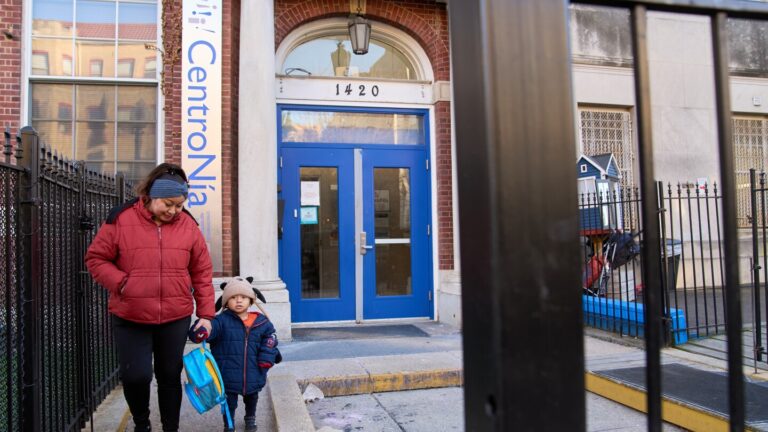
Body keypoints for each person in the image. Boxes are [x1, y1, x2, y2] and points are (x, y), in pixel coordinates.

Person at [85, 163, 214, 432]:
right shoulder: (120, 219)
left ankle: (170, 428)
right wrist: (123, 283)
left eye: (179, 205)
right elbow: (96, 259)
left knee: (169, 376)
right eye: (168, 204)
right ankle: (141, 424)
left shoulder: (189, 226)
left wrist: (206, 315)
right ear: (152, 195)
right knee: (136, 376)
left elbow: (202, 271)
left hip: (175, 316)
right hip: (130, 315)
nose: (173, 211)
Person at [189, 277, 279, 432]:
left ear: (251, 300)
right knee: (229, 402)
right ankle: (228, 424)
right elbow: (208, 330)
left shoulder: (262, 322)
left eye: (243, 297)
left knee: (252, 397)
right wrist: (200, 332)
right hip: (227, 373)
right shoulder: (220, 322)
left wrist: (266, 357)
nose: (238, 301)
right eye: (233, 297)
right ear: (225, 302)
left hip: (253, 371)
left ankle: (250, 418)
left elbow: (271, 339)